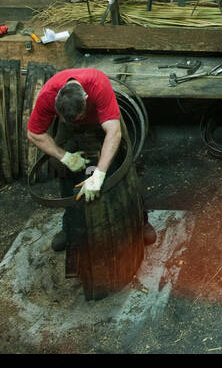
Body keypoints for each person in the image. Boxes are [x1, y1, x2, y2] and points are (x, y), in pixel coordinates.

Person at [25, 68, 156, 250]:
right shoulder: (48, 94)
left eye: (78, 117)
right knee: (63, 170)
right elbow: (34, 133)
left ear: (86, 98)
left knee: (121, 168)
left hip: (104, 123)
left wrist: (99, 174)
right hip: (68, 129)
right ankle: (70, 227)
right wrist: (65, 157)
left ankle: (140, 221)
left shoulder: (97, 84)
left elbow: (113, 132)